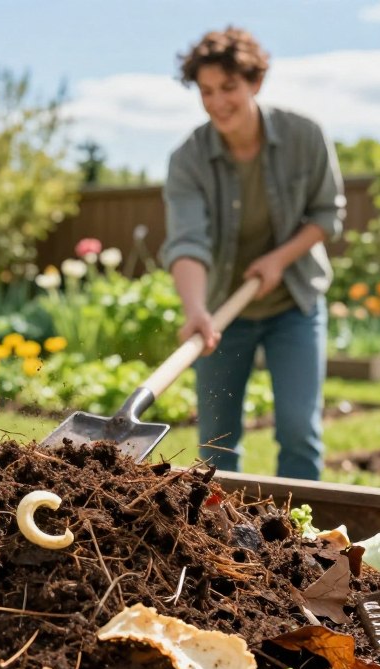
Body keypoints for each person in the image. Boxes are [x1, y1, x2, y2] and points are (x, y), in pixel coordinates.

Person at [160, 26, 345, 480]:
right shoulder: (189, 158)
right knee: (216, 443)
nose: (217, 101)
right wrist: (197, 310)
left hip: (294, 306)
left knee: (299, 430)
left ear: (255, 82)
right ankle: (218, 542)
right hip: (224, 313)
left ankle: (306, 540)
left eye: (229, 88)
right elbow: (187, 241)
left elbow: (327, 214)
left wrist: (280, 259)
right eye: (205, 91)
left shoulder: (304, 136)